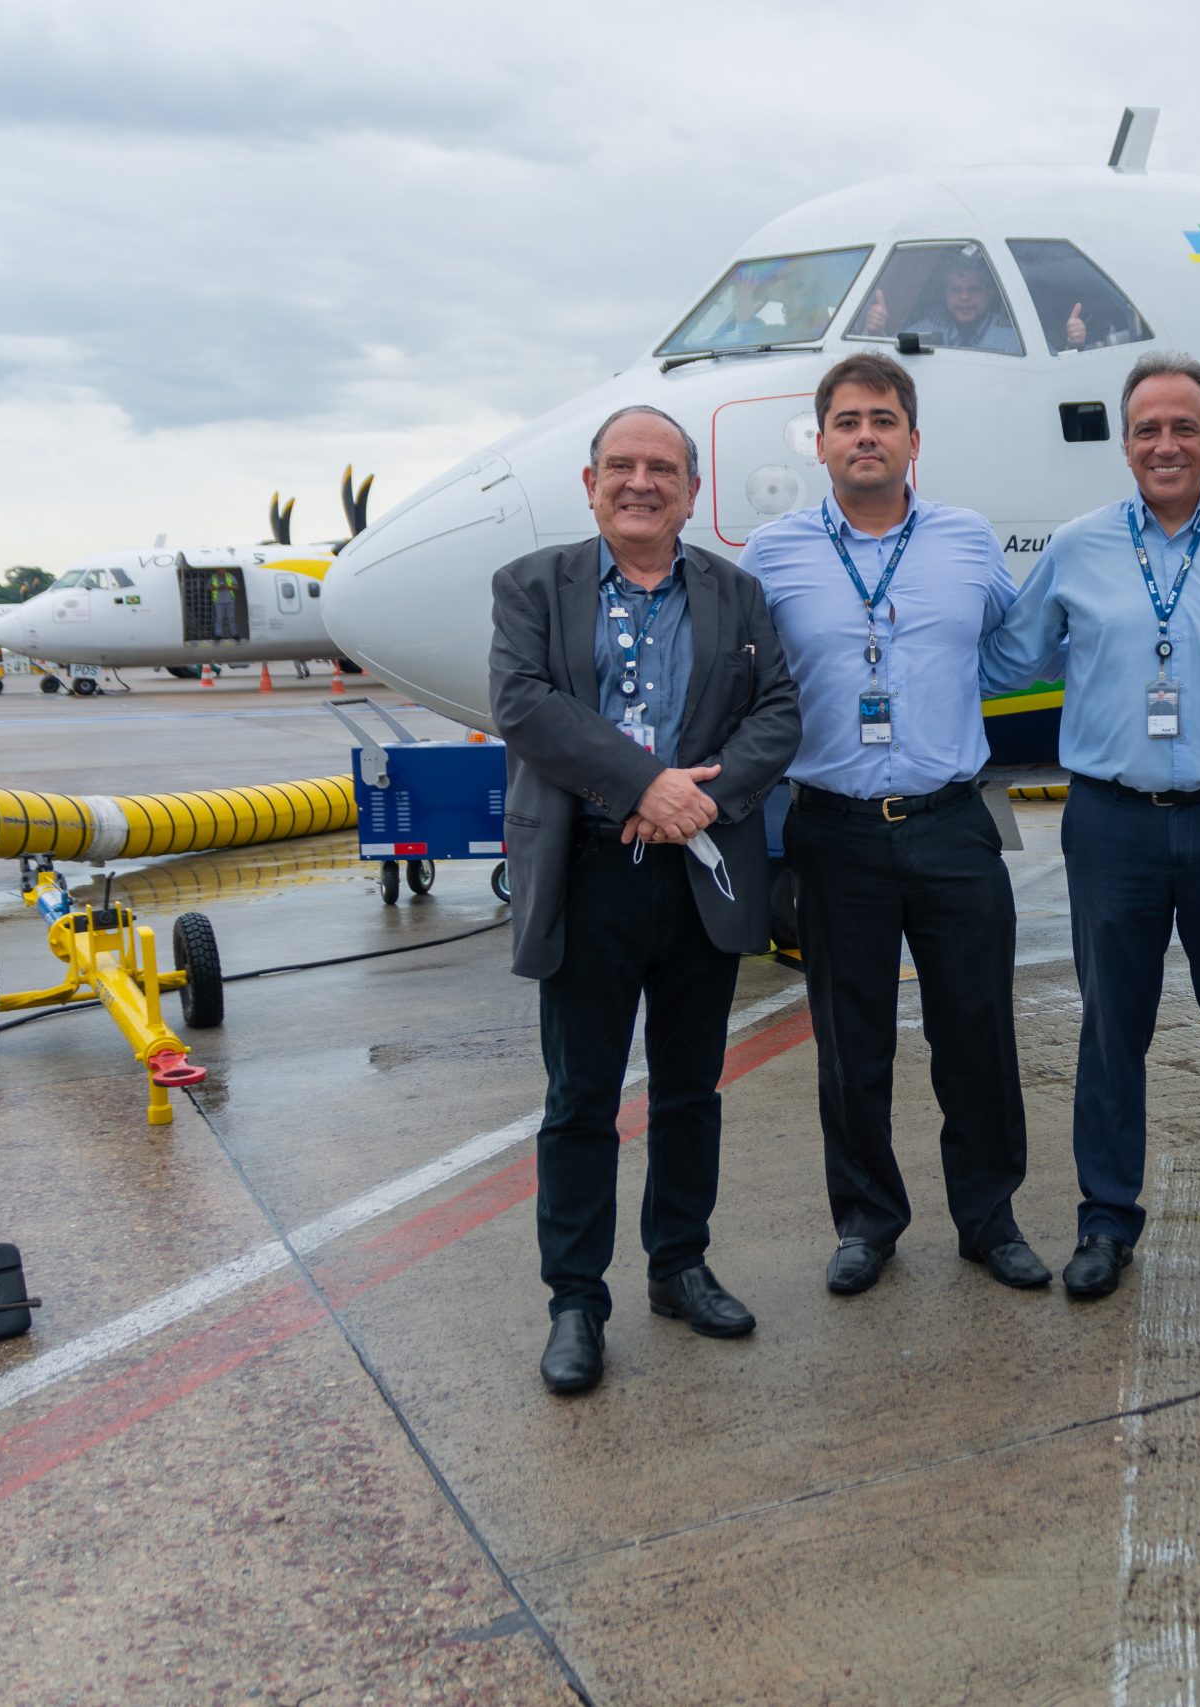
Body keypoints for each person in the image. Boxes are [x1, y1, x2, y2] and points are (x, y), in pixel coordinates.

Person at [984, 351, 1200, 1302]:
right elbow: (1007, 660)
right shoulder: (1077, 547)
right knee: (1111, 1031)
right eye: (1148, 429)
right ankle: (1105, 1220)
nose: (1166, 444)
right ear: (1126, 443)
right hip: (1112, 824)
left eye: (1185, 427)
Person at [489, 403, 802, 1395]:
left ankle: (679, 1265)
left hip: (698, 873)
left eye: (662, 469)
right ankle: (576, 1302)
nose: (640, 483)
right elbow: (525, 703)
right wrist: (643, 786)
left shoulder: (736, 594)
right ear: (591, 485)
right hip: (587, 877)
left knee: (689, 1090)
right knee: (581, 1099)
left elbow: (777, 711)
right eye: (621, 466)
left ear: (691, 491)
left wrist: (699, 798)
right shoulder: (532, 586)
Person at [741, 353, 1051, 1297]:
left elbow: (1011, 651)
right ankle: (867, 1221)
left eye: (883, 419)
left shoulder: (966, 541)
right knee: (851, 1042)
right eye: (847, 421)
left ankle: (989, 1218)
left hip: (954, 820)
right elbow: (743, 675)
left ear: (915, 440)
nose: (865, 436)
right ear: (821, 443)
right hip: (834, 829)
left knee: (978, 1032)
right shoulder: (773, 554)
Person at [861, 248, 1027, 355]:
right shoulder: (928, 330)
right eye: (955, 290)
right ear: (945, 294)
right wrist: (876, 333)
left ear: (989, 294)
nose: (964, 297)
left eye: (973, 290)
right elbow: (892, 353)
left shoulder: (1014, 339)